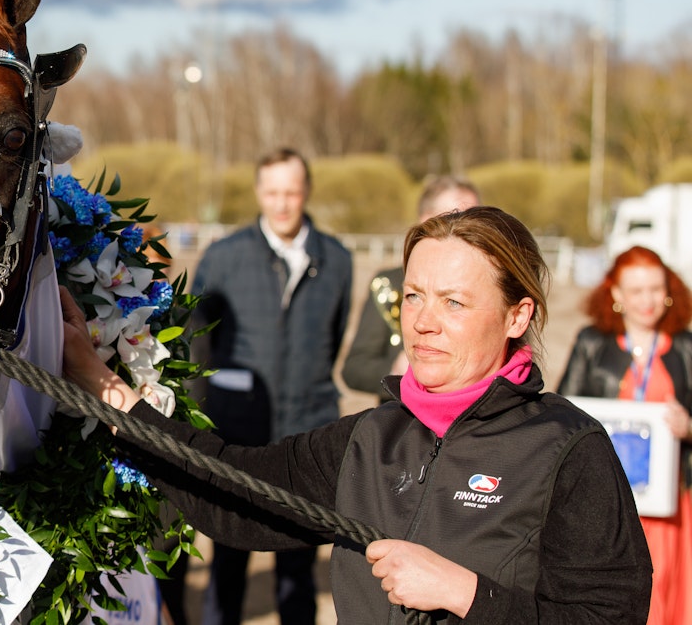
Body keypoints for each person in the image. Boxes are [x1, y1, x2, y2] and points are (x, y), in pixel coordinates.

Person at [62, 206, 652, 623]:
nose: (422, 321)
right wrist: (99, 380)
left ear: (517, 317)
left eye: (454, 302)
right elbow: (232, 491)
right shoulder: (371, 439)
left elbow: (610, 615)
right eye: (415, 296)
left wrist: (465, 593)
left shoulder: (568, 447)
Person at [188, 147, 351, 625]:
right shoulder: (223, 258)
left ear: (306, 193)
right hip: (237, 438)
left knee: (298, 572)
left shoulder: (337, 260)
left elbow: (333, 338)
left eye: (292, 192)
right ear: (259, 192)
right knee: (228, 565)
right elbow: (201, 345)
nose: (282, 203)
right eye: (273, 192)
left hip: (307, 437)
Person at [557, 245, 692, 625]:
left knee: (663, 594)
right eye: (635, 291)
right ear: (615, 293)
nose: (647, 301)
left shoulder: (686, 347)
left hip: (668, 506)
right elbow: (562, 413)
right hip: (604, 500)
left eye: (654, 289)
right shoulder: (591, 343)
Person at [341, 175, 481, 395]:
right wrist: (396, 374)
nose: (466, 228)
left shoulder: (489, 287)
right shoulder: (389, 283)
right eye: (454, 217)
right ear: (425, 220)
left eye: (475, 220)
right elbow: (355, 368)